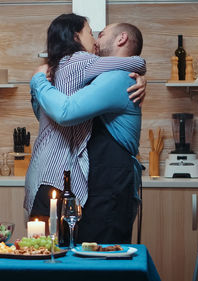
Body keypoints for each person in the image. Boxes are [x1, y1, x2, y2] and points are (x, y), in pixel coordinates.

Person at [29, 21, 146, 244]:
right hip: (98, 187)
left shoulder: (120, 79)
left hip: (111, 187)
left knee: (103, 263)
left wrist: (38, 80)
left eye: (100, 34)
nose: (95, 40)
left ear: (121, 39)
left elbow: (66, 112)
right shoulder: (101, 76)